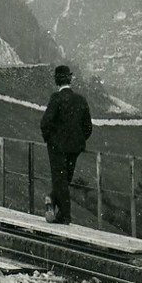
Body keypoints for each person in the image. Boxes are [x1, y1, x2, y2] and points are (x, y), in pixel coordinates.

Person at [40, 65, 93, 225]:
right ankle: (53, 199)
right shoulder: (81, 100)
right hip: (74, 148)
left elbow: (45, 123)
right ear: (70, 79)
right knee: (66, 178)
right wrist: (78, 140)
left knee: (59, 179)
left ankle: (65, 216)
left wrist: (51, 140)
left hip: (57, 147)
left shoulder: (56, 98)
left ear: (57, 80)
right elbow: (88, 127)